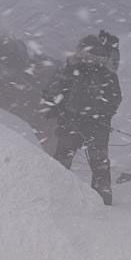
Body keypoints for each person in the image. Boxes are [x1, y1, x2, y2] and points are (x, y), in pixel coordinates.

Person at [42, 30, 122, 205]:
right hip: (74, 122)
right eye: (83, 54)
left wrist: (99, 115)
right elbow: (51, 92)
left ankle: (102, 200)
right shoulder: (72, 70)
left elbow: (114, 100)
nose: (86, 58)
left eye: (90, 55)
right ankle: (57, 194)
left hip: (93, 124)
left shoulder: (106, 74)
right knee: (64, 160)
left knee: (97, 162)